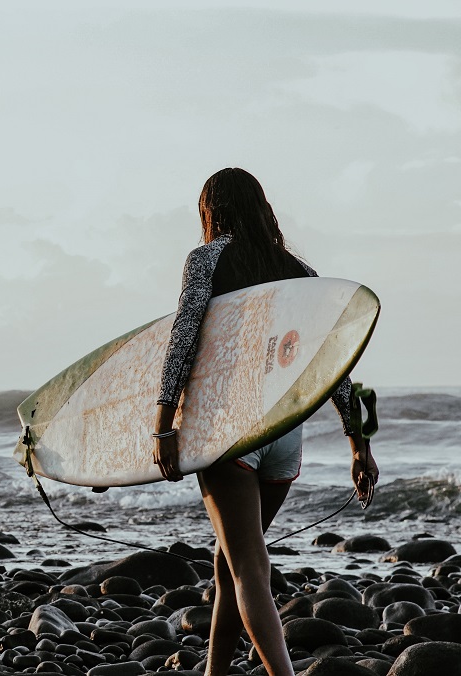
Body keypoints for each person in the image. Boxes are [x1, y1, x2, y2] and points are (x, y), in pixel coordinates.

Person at [152, 168, 378, 676]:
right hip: (283, 437)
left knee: (249, 566)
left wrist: (164, 424)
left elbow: (183, 339)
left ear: (211, 212)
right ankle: (216, 671)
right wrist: (358, 444)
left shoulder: (206, 259)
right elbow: (334, 366)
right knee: (230, 561)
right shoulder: (299, 271)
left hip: (228, 431)